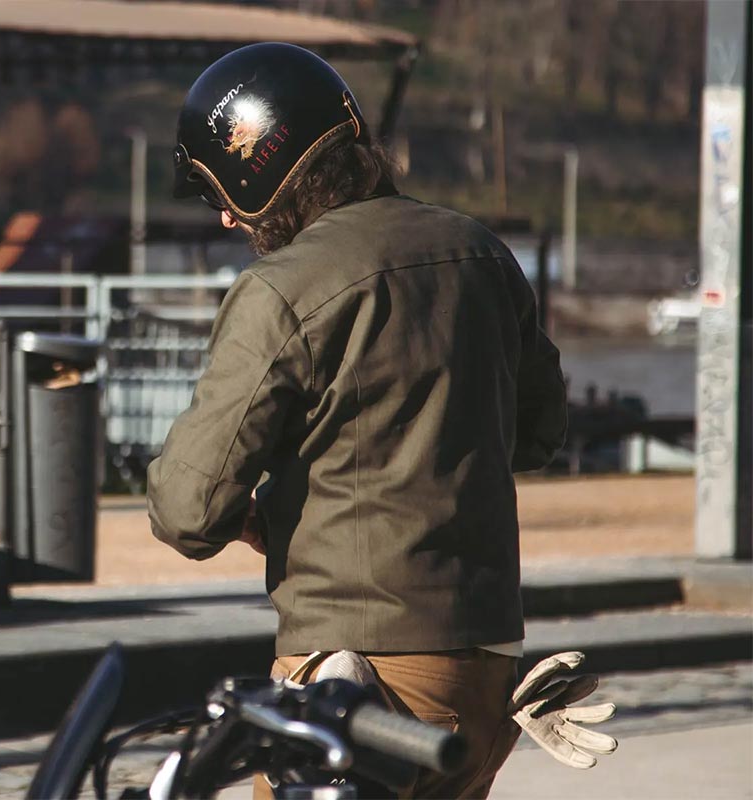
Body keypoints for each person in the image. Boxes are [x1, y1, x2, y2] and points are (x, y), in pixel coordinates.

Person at [147, 42, 568, 799]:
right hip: (488, 672)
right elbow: (538, 434)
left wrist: (256, 514)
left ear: (260, 174)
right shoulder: (480, 253)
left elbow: (188, 510)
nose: (225, 216)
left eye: (223, 193)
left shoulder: (283, 288)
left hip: (358, 682)